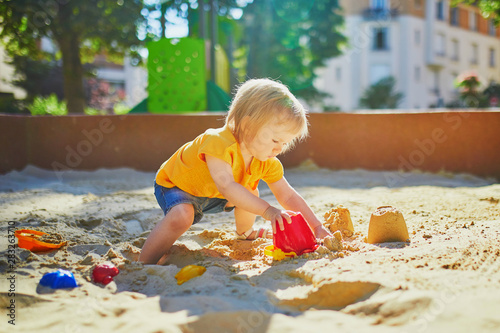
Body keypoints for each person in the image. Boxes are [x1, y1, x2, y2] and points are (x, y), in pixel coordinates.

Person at [139, 78, 331, 265]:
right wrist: (268, 211)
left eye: (285, 143)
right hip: (176, 186)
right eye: (275, 140)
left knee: (249, 191)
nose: (279, 149)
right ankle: (144, 263)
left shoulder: (266, 161)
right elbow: (227, 186)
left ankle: (245, 233)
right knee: (182, 216)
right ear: (247, 126)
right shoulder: (217, 142)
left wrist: (316, 226)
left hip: (212, 195)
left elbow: (287, 196)